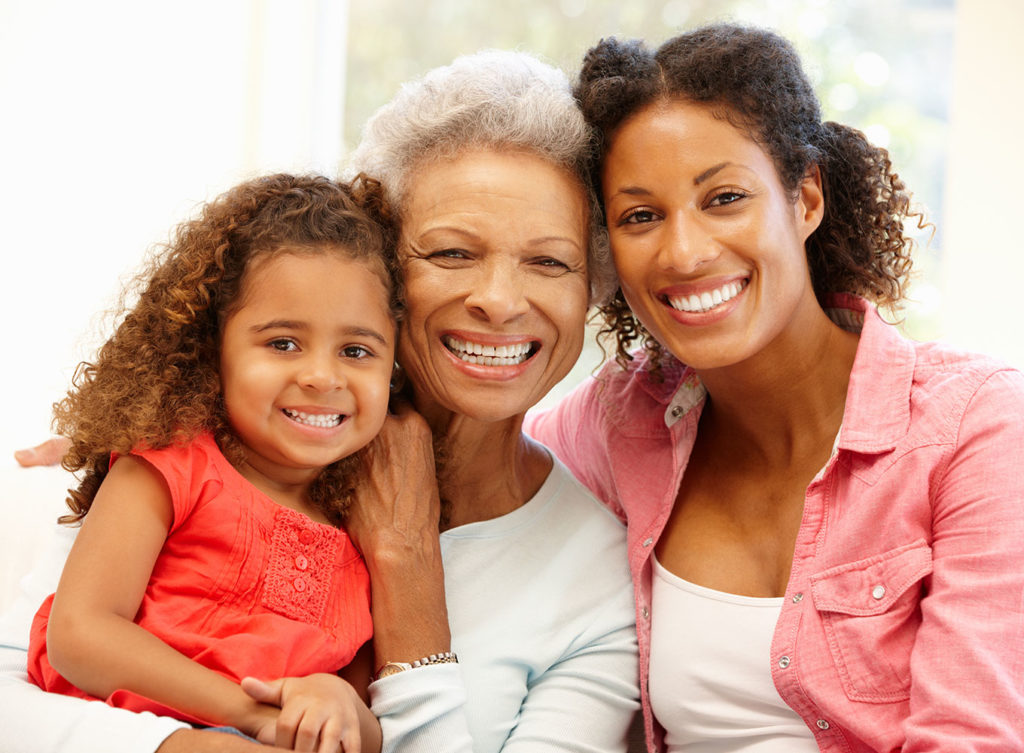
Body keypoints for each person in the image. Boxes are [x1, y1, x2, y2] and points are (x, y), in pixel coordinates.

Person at [0, 51, 640, 753]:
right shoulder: (205, 446)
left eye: (549, 261)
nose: (499, 299)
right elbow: (21, 682)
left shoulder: (595, 577)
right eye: (452, 253)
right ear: (381, 269)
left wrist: (405, 578)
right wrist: (190, 745)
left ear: (593, 285)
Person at [527, 23, 1024, 752]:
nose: (683, 253)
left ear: (806, 198)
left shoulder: (973, 428)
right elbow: (475, 482)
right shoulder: (619, 420)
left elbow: (971, 737)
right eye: (641, 216)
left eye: (724, 197)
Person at [22, 173, 400, 752]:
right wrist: (247, 715)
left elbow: (365, 731)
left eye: (356, 350)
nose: (322, 377)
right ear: (211, 348)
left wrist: (336, 702)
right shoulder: (169, 466)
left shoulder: (366, 529)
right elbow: (78, 636)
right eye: (282, 343)